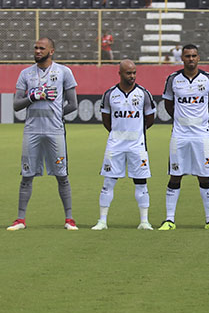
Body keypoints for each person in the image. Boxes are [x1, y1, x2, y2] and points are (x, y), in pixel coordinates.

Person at [7, 38, 78, 231]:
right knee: (27, 175)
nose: (37, 51)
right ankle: (20, 219)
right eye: (36, 48)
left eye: (41, 48)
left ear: (51, 51)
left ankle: (69, 219)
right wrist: (32, 96)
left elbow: (73, 104)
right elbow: (16, 104)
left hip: (55, 130)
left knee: (62, 175)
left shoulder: (64, 72)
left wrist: (57, 114)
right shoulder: (26, 73)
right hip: (32, 130)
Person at [159, 44, 209, 231]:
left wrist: (202, 120)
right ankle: (169, 220)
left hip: (200, 135)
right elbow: (168, 105)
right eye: (187, 56)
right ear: (182, 58)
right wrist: (181, 120)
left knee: (204, 176)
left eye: (194, 56)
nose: (191, 59)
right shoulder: (173, 79)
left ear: (199, 58)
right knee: (175, 175)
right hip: (179, 135)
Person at [91, 61, 156, 231]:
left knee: (141, 183)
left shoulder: (143, 94)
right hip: (115, 146)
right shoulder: (109, 95)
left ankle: (144, 221)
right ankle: (102, 221)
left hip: (137, 145)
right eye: (128, 73)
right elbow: (107, 120)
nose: (132, 76)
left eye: (134, 73)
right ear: (119, 73)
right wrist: (118, 134)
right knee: (108, 183)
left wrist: (136, 133)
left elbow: (150, 119)